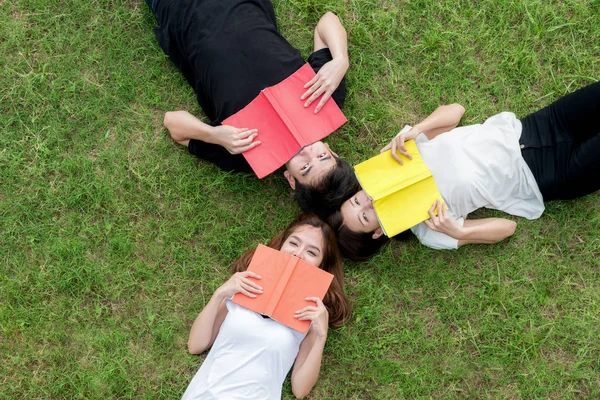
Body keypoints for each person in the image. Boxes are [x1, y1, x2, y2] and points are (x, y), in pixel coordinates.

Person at [330, 82, 600, 260]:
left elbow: (456, 111)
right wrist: (458, 232)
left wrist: (418, 129)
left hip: (539, 125)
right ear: (378, 232)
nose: (369, 201)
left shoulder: (398, 157)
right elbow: (508, 228)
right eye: (365, 215)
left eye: (357, 200)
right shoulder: (428, 230)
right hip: (550, 175)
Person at [146, 0, 358, 215]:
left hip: (177, 10)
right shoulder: (326, 101)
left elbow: (172, 122)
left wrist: (214, 134)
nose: (308, 152)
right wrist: (341, 59)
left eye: (305, 168)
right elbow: (327, 22)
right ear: (331, 150)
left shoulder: (243, 155)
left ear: (291, 180)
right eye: (322, 156)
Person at [182, 213, 351, 399]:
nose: (298, 254)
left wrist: (321, 335)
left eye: (312, 252)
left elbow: (300, 390)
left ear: (321, 266)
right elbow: (195, 345)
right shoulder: (243, 287)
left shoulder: (310, 317)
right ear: (281, 246)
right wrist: (219, 295)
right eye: (293, 243)